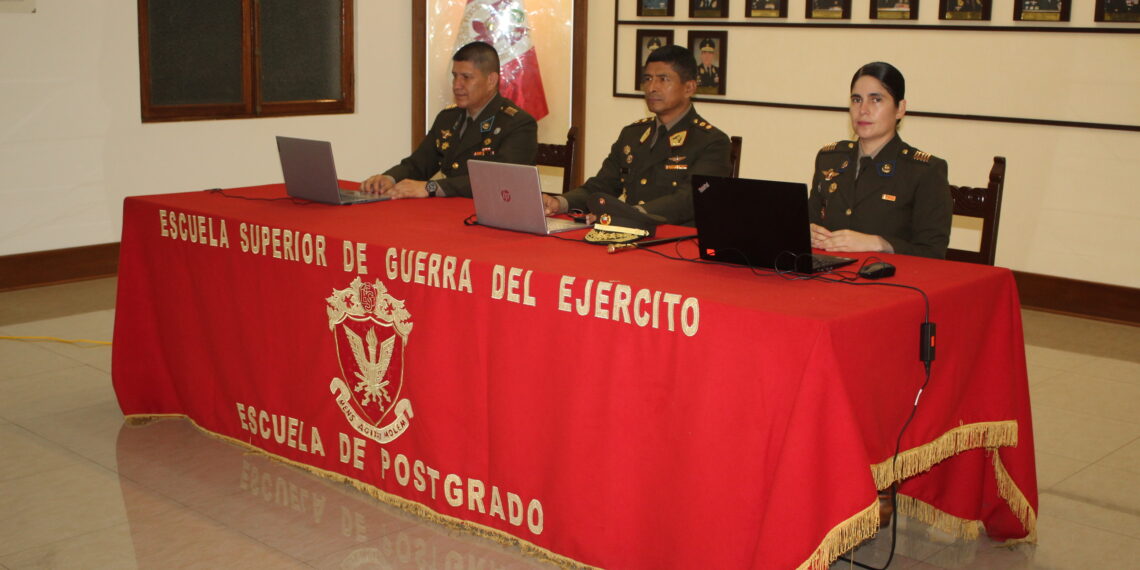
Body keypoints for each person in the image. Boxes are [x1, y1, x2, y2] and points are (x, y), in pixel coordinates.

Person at [542, 45, 732, 226]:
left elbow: (689, 200)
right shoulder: (633, 135)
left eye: (663, 79)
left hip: (677, 243)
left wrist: (629, 214)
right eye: (648, 79)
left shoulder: (712, 141)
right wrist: (560, 202)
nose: (652, 88)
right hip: (629, 234)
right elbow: (602, 186)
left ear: (689, 88)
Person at [808, 61, 952, 259]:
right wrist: (808, 232)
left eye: (876, 100)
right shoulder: (829, 159)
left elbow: (933, 253)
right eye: (857, 100)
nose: (863, 110)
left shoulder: (925, 171)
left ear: (900, 108)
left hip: (891, 282)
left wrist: (879, 244)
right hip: (828, 277)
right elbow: (810, 221)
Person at [362, 41, 537, 199]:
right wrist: (389, 178)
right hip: (448, 212)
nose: (456, 85)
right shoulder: (449, 118)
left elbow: (500, 179)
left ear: (491, 80)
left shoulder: (517, 123)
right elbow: (419, 163)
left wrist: (431, 187)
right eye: (455, 76)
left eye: (466, 77)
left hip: (491, 216)